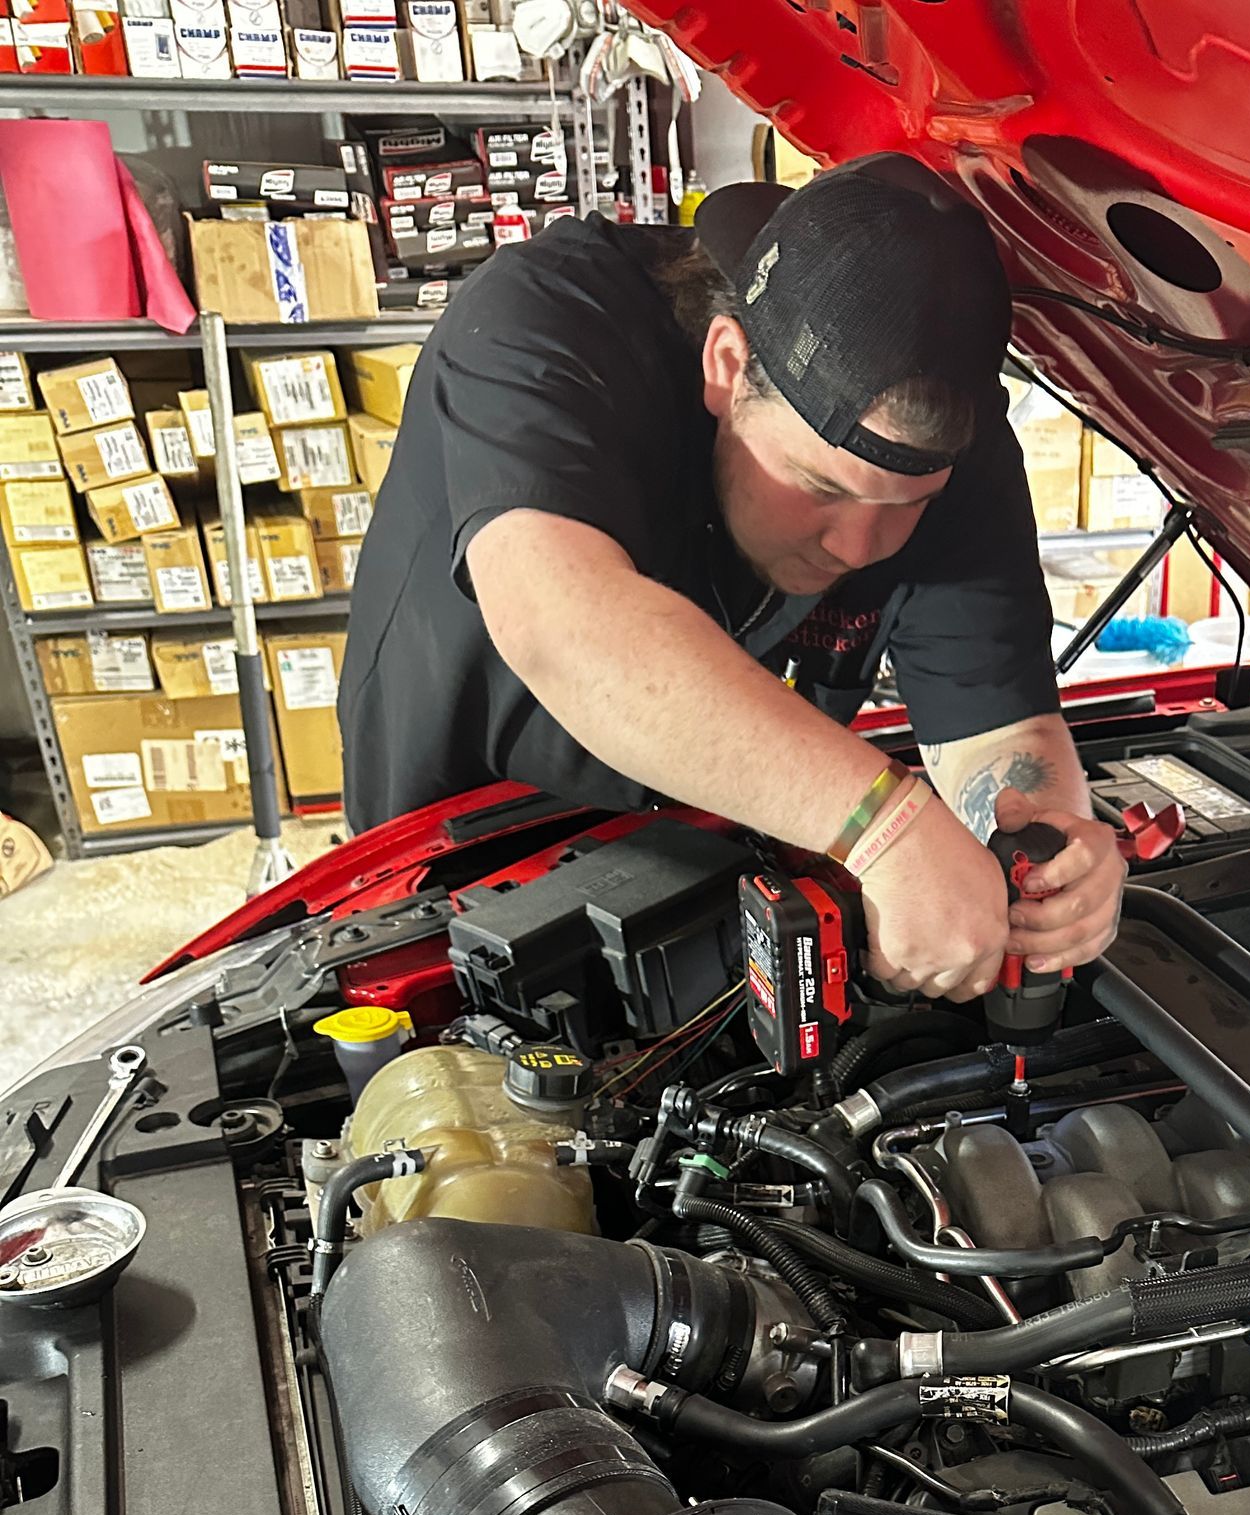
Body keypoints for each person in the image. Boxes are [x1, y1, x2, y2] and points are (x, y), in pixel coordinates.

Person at [339, 154, 1127, 1001]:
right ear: (726, 364)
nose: (862, 546)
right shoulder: (550, 320)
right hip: (465, 862)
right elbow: (563, 625)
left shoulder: (948, 440)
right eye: (822, 488)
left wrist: (1051, 864)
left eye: (911, 504)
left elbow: (997, 723)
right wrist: (886, 828)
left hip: (731, 873)